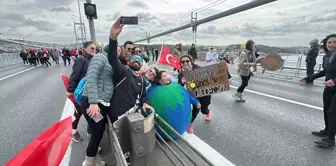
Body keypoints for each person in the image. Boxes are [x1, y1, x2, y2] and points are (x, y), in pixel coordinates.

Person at [107, 18, 154, 123]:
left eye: (139, 59)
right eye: (134, 59)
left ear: (142, 64)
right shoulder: (122, 72)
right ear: (128, 62)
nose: (137, 60)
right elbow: (112, 59)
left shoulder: (142, 80)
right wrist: (113, 38)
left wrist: (144, 103)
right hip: (117, 118)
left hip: (133, 117)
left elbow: (143, 96)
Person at [301, 34, 336, 148]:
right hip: (329, 87)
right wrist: (309, 77)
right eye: (329, 42)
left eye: (334, 42)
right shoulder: (327, 56)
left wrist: (334, 81)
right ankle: (327, 130)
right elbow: (324, 71)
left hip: (334, 85)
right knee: (326, 110)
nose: (331, 44)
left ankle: (331, 139)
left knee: (332, 112)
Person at [80, 52, 114, 165]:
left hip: (99, 103)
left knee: (96, 131)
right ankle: (89, 163)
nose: (118, 50)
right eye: (116, 48)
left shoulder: (111, 61)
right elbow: (91, 77)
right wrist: (93, 102)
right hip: (94, 103)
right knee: (97, 133)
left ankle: (91, 159)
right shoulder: (101, 57)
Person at [67, 41, 97, 142]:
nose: (94, 50)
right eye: (92, 48)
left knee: (89, 113)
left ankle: (90, 132)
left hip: (89, 92)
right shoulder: (81, 60)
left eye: (95, 49)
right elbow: (74, 75)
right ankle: (74, 131)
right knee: (79, 112)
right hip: (80, 93)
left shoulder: (92, 60)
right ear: (84, 49)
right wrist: (70, 89)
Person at [178, 55, 212, 133]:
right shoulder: (181, 73)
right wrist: (182, 82)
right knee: (195, 109)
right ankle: (190, 124)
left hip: (204, 94)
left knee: (203, 110)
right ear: (181, 64)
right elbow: (179, 86)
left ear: (191, 61)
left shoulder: (199, 69)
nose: (185, 63)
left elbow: (209, 78)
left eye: (187, 61)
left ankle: (208, 112)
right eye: (183, 62)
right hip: (194, 95)